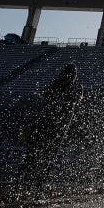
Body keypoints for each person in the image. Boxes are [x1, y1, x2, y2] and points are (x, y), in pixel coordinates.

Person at [21, 62, 83, 194]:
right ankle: (25, 183)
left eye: (73, 74)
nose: (71, 76)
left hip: (57, 127)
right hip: (50, 125)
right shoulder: (61, 84)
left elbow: (74, 100)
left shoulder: (74, 87)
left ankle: (35, 184)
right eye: (70, 73)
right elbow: (45, 96)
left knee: (45, 157)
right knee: (37, 155)